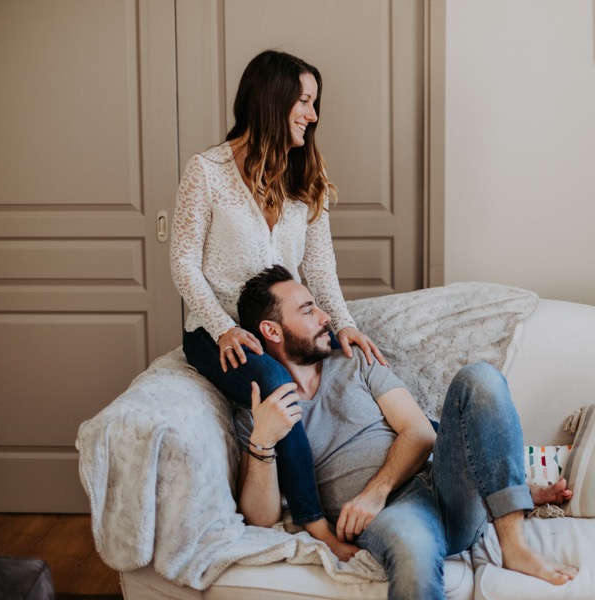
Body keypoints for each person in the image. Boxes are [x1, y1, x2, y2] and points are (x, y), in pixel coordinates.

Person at [234, 265, 579, 599]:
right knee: (413, 559)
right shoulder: (258, 409)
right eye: (308, 310)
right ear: (272, 331)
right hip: (395, 517)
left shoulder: (354, 360)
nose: (326, 318)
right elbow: (260, 519)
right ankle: (505, 493)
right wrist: (263, 440)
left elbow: (420, 432)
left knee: (480, 378)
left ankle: (514, 545)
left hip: (444, 482)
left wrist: (375, 492)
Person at [170, 49, 384, 559]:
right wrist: (223, 327)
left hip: (281, 325)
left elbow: (320, 266)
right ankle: (314, 522)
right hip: (215, 333)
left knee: (364, 363)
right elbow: (182, 261)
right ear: (272, 100)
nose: (312, 114)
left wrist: (343, 324)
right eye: (303, 102)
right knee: (274, 381)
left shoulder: (305, 174)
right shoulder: (207, 171)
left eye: (314, 103)